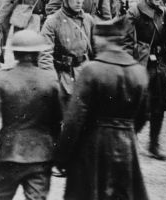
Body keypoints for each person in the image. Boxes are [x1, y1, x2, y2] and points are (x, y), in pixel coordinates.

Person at [55, 17, 150, 200]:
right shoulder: (139, 71)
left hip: (93, 145)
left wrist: (62, 155)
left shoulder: (91, 70)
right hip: (127, 144)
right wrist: (126, 130)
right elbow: (143, 115)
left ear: (101, 40)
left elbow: (75, 118)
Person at [0, 29, 62, 200]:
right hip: (40, 156)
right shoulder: (50, 80)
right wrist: (57, 156)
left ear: (14, 53)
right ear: (38, 53)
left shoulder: (1, 80)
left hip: (8, 154)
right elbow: (58, 121)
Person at [124, 0, 166, 160]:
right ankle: (131, 142)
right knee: (138, 104)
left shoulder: (163, 11)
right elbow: (127, 42)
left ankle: (154, 144)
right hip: (142, 63)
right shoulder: (135, 12)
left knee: (159, 106)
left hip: (160, 64)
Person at [38, 0, 96, 111]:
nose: (80, 1)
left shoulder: (88, 20)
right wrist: (51, 82)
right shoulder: (52, 22)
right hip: (63, 76)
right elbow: (44, 54)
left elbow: (96, 49)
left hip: (84, 72)